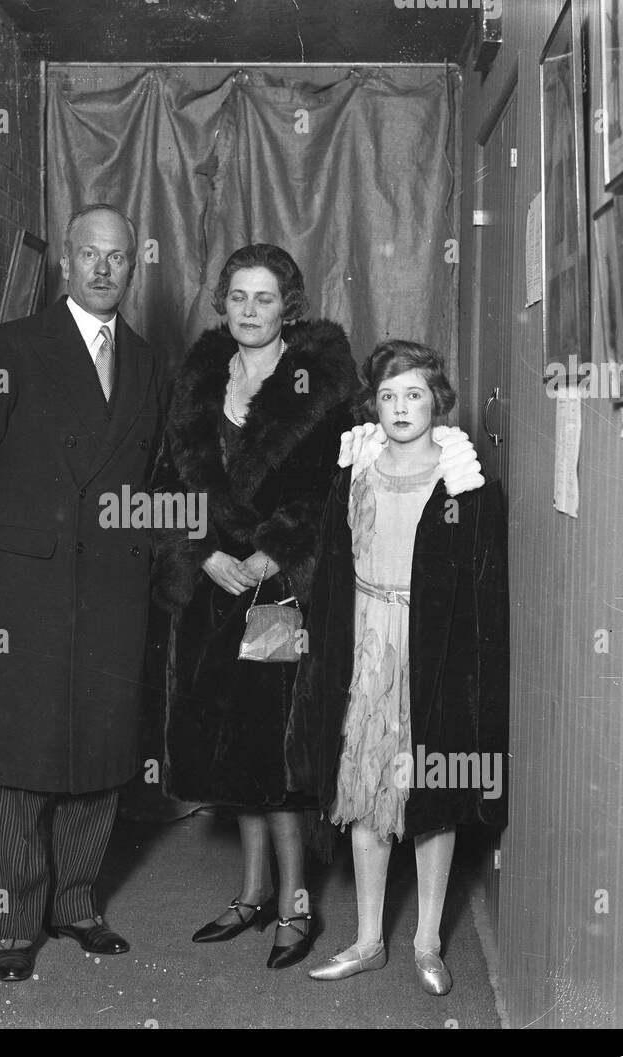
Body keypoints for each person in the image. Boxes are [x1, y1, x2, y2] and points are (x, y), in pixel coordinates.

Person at [0, 203, 169, 981]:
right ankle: (14, 923)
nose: (103, 268)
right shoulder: (9, 350)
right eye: (90, 254)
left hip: (112, 594)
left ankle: (77, 904)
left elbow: (156, 478)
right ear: (66, 260)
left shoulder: (151, 363)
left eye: (119, 257)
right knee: (23, 763)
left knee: (100, 754)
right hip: (23, 597)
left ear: (136, 266)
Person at [150, 244, 357, 970]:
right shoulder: (199, 378)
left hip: (277, 591)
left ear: (288, 305)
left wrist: (275, 551)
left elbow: (338, 487)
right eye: (237, 296)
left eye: (263, 298)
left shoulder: (321, 382)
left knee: (276, 746)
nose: (248, 310)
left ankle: (297, 903)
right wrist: (203, 552)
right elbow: (163, 481)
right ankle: (251, 892)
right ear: (223, 304)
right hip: (212, 591)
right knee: (228, 742)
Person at [286, 340, 508, 995]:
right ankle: (367, 939)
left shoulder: (462, 478)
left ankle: (429, 941)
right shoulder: (356, 468)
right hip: (365, 644)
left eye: (413, 393)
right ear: (372, 403)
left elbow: (481, 591)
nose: (400, 406)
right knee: (364, 793)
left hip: (432, 653)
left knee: (429, 797)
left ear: (436, 398)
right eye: (387, 395)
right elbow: (330, 564)